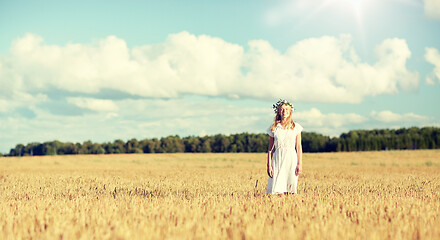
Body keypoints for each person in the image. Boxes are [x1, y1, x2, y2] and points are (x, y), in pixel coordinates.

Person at [266, 99, 303, 195]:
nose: (284, 112)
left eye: (286, 109)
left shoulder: (296, 127)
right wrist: (269, 165)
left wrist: (300, 163)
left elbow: (298, 147)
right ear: (278, 111)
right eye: (282, 109)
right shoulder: (274, 127)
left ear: (290, 111)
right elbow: (270, 149)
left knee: (291, 186)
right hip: (278, 158)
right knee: (278, 187)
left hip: (291, 158)